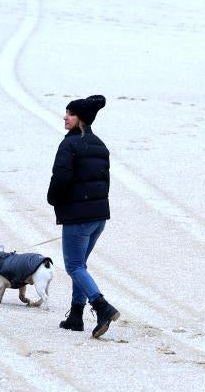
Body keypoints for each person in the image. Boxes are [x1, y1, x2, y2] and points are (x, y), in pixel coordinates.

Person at [47, 94, 120, 338]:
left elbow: (61, 177)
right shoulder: (99, 144)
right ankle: (76, 316)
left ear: (81, 119)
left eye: (71, 113)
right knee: (80, 266)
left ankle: (102, 307)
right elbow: (104, 182)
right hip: (98, 218)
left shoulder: (69, 144)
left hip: (78, 218)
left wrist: (53, 199)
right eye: (66, 112)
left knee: (75, 266)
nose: (65, 117)